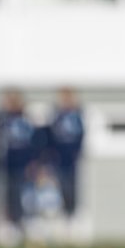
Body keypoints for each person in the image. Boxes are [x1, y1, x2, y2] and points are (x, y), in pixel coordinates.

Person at [0, 89, 36, 246]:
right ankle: (11, 226)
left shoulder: (26, 121)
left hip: (23, 166)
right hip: (6, 166)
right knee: (9, 196)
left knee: (25, 196)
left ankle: (25, 225)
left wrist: (32, 162)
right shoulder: (2, 120)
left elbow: (33, 143)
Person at [47, 87, 85, 225]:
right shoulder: (56, 116)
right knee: (61, 185)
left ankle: (73, 214)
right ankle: (64, 214)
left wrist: (77, 152)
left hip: (72, 158)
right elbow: (51, 136)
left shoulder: (77, 115)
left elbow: (81, 135)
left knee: (72, 186)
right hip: (59, 158)